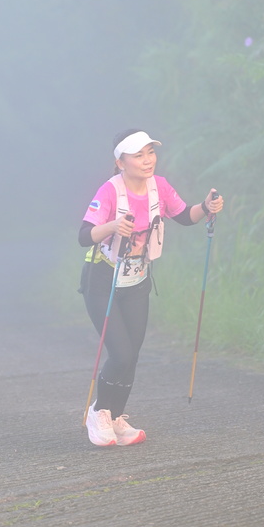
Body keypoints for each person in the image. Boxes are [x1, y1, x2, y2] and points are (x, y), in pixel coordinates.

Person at [78, 128, 224, 447]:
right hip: (102, 281)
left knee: (132, 355)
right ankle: (99, 413)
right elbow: (84, 235)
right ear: (120, 162)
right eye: (138, 155)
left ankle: (117, 417)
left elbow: (184, 216)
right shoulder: (110, 191)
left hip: (137, 281)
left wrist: (206, 206)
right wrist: (113, 226)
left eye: (150, 152)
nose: (147, 160)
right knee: (121, 353)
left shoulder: (159, 187)